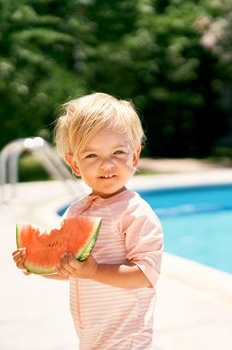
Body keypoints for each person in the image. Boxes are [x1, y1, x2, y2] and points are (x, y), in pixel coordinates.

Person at [12, 92, 164, 349]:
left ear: (134, 157)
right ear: (74, 164)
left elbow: (146, 275)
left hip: (127, 337)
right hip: (91, 337)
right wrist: (37, 265)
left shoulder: (136, 213)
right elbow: (72, 271)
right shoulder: (76, 212)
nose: (107, 165)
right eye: (92, 156)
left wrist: (95, 270)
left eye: (117, 152)